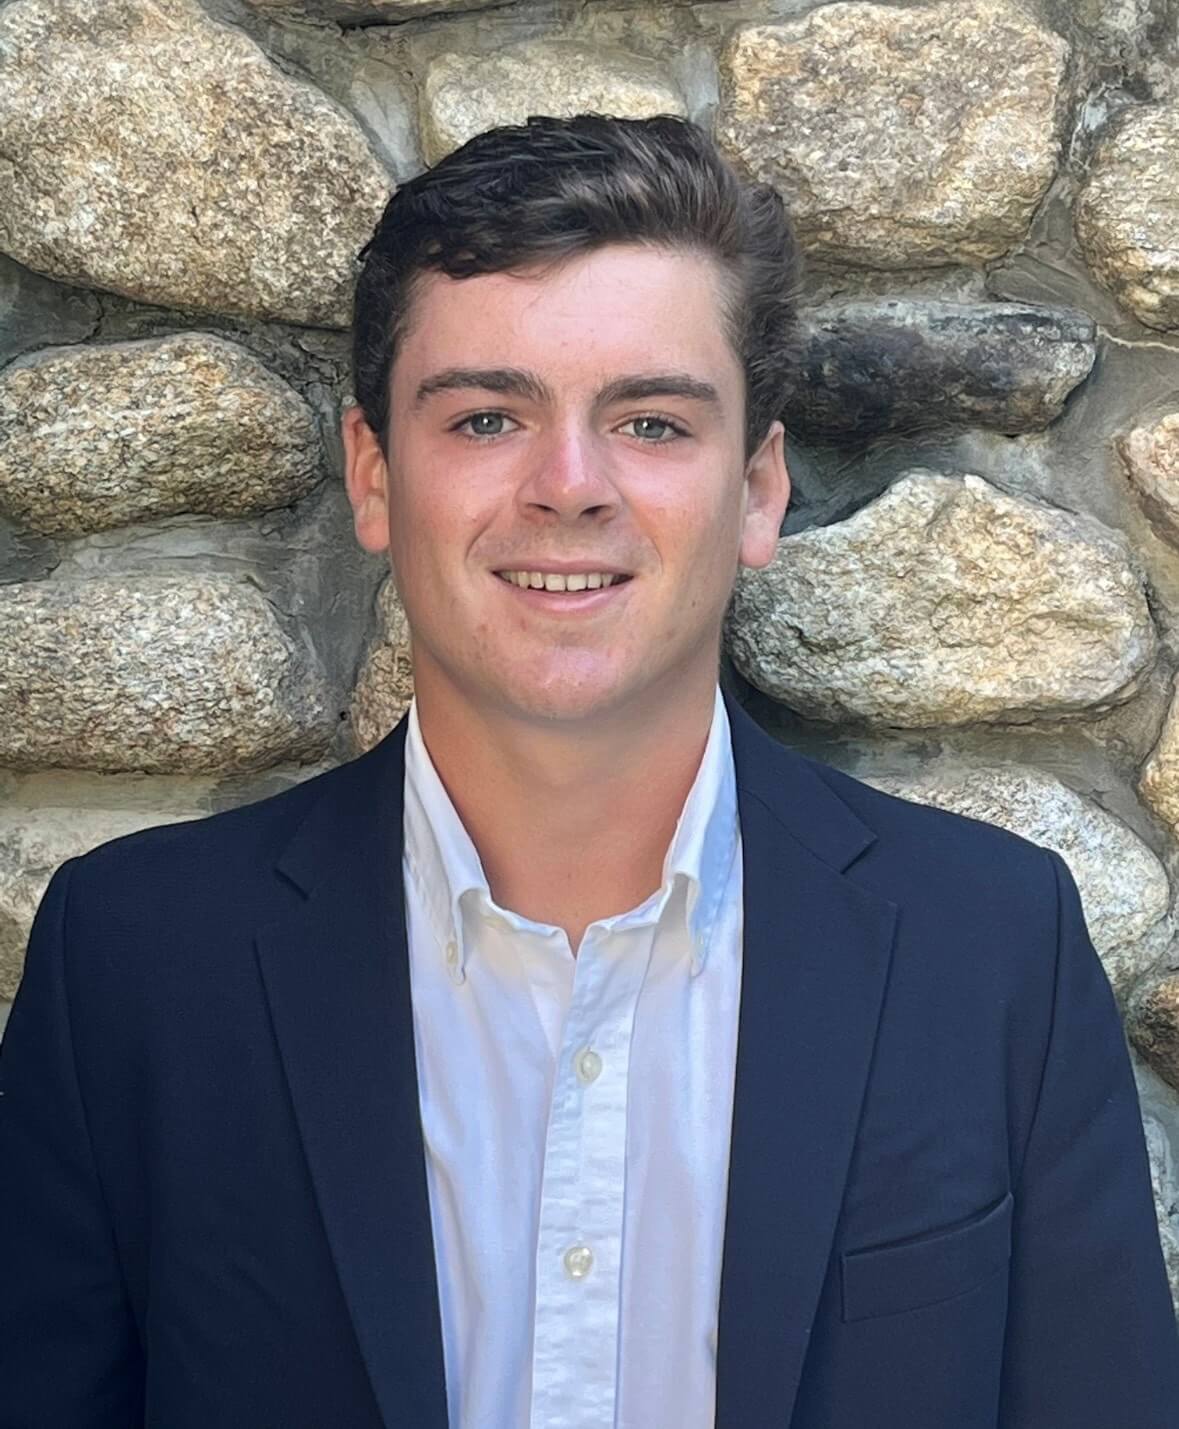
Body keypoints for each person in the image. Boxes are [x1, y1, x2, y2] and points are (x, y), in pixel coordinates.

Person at [1, 112, 1177, 1429]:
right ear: (374, 477)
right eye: (488, 417)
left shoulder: (993, 951)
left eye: (652, 422)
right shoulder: (137, 966)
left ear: (760, 489)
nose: (570, 485)